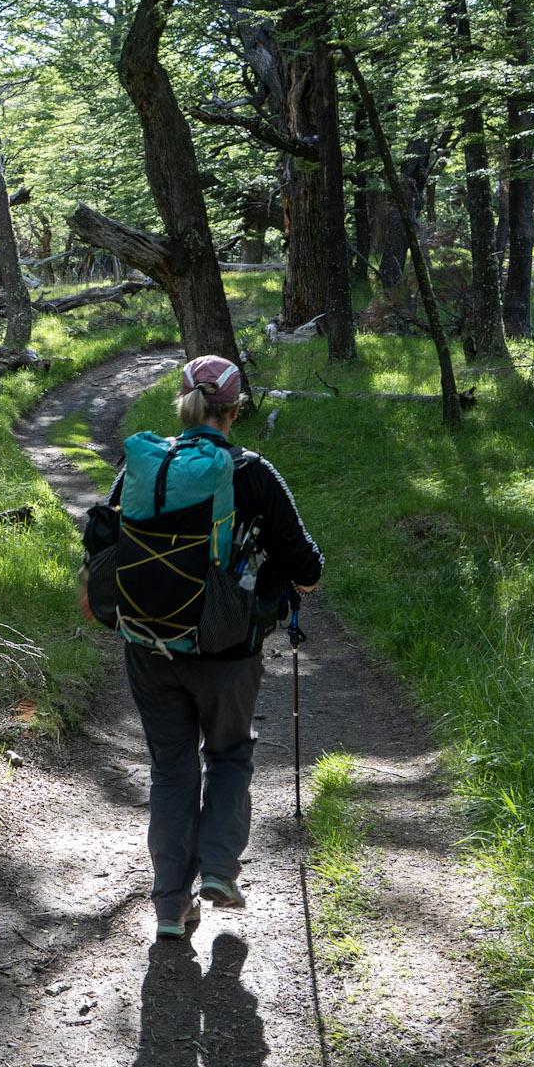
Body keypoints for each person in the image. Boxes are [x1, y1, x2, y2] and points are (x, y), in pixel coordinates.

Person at [83, 354, 323, 940]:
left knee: (171, 767)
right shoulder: (254, 473)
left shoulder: (144, 464)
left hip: (148, 643)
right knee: (229, 755)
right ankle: (218, 869)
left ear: (183, 403)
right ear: (235, 410)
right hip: (225, 649)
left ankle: (170, 906)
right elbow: (307, 565)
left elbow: (106, 546)